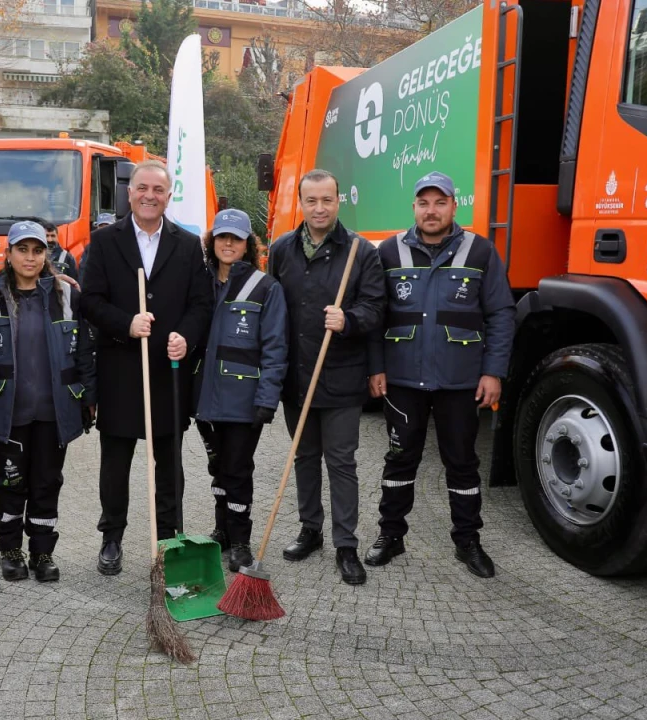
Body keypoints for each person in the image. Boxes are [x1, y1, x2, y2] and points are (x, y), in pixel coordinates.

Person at [365, 171, 516, 578]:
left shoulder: (480, 251)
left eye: (440, 202)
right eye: (424, 203)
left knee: (462, 463)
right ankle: (390, 535)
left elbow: (501, 315)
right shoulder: (390, 252)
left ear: (454, 206)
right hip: (402, 380)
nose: (431, 211)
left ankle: (468, 541)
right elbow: (376, 315)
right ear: (413, 207)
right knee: (399, 460)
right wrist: (376, 367)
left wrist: (493, 372)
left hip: (460, 381)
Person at [80, 159, 213, 575]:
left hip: (167, 374)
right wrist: (126, 324)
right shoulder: (105, 241)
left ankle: (168, 539)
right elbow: (89, 301)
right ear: (130, 192)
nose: (149, 196)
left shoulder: (187, 245)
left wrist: (185, 337)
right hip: (120, 371)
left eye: (158, 190)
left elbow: (201, 304)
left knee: (169, 467)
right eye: (142, 188)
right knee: (115, 465)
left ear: (168, 196)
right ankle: (111, 537)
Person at [267, 168, 385, 586]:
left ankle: (346, 544)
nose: (320, 208)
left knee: (341, 462)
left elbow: (376, 308)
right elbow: (271, 310)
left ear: (339, 201)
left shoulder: (360, 252)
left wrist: (348, 319)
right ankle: (310, 529)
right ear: (301, 203)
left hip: (341, 377)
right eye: (311, 200)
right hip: (296, 377)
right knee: (304, 457)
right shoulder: (281, 250)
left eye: (327, 200)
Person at [0, 221, 96, 583]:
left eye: (37, 250)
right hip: (8, 412)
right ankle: (10, 551)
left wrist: (89, 396)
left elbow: (85, 352)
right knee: (11, 483)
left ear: (46, 254)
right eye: (22, 250)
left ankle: (42, 552)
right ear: (8, 254)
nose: (30, 258)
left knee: (47, 483)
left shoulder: (66, 296)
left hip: (53, 412)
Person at [192, 209, 288, 572]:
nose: (228, 243)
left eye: (236, 238)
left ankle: (241, 541)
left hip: (244, 401)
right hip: (205, 399)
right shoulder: (200, 283)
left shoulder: (266, 288)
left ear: (248, 244)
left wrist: (267, 398)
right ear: (212, 241)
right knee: (217, 466)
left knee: (237, 469)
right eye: (222, 236)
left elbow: (276, 348)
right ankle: (223, 531)